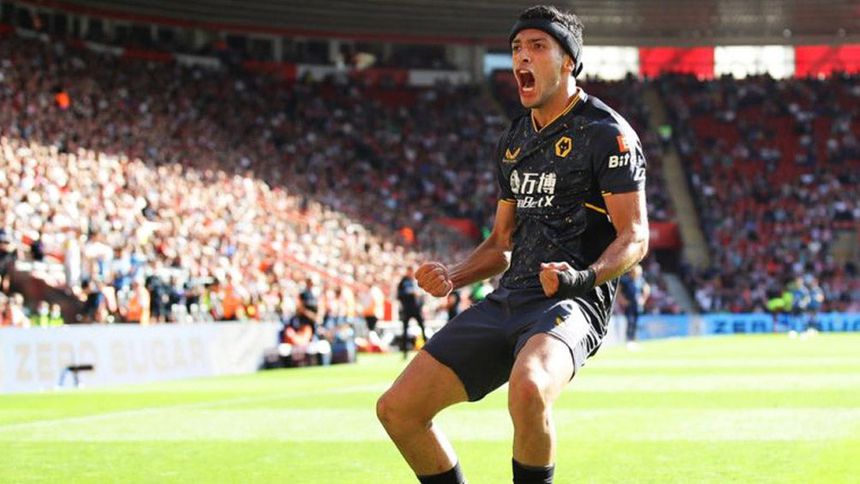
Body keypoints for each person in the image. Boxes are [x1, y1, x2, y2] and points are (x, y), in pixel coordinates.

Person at [376, 6, 649, 484]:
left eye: (537, 47)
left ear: (569, 61)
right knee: (398, 409)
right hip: (509, 298)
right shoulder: (514, 140)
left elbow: (636, 236)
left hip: (571, 303)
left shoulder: (608, 134)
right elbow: (502, 243)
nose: (522, 57)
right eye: (517, 48)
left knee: (529, 388)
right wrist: (454, 275)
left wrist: (581, 278)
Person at [397, 266, 427, 359]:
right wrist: (409, 293)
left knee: (422, 328)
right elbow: (399, 295)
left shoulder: (416, 282)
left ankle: (427, 350)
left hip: (416, 309)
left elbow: (422, 295)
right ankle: (404, 352)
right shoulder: (403, 282)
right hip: (407, 310)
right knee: (405, 330)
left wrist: (421, 305)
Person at [618, 264, 650, 350]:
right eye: (636, 272)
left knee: (635, 323)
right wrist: (622, 300)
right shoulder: (625, 280)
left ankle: (633, 340)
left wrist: (643, 299)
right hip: (629, 305)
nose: (638, 274)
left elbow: (647, 289)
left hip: (637, 306)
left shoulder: (640, 280)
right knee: (630, 322)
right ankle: (628, 340)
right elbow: (618, 291)